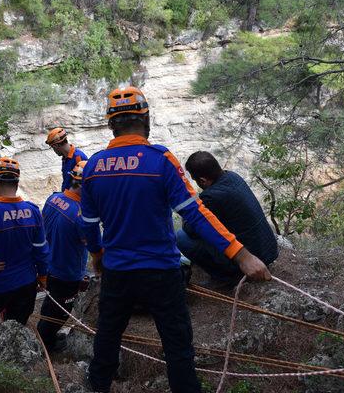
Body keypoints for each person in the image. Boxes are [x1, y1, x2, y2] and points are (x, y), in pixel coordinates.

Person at [80, 86, 271, 393]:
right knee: (177, 347)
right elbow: (195, 214)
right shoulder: (161, 160)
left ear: (111, 124)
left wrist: (98, 257)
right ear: (146, 120)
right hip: (161, 271)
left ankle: (98, 386)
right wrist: (240, 253)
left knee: (107, 339)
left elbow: (88, 225)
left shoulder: (93, 167)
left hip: (117, 271)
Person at [0, 157, 50, 330]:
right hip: (25, 284)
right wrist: (43, 276)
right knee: (16, 329)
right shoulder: (34, 211)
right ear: (17, 182)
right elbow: (41, 250)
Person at [177, 151, 279, 289]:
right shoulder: (232, 176)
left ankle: (225, 277)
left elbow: (191, 230)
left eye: (196, 180)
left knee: (182, 237)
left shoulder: (211, 197)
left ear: (202, 180)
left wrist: (191, 209)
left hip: (253, 257)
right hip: (269, 250)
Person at [36, 160, 90, 351]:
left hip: (48, 265)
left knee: (50, 305)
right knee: (59, 313)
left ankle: (45, 337)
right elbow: (94, 245)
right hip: (66, 273)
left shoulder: (53, 199)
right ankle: (45, 346)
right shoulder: (80, 216)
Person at [46, 127, 88, 191]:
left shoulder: (78, 157)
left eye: (52, 147)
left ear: (56, 146)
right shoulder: (65, 158)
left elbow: (83, 183)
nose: (54, 150)